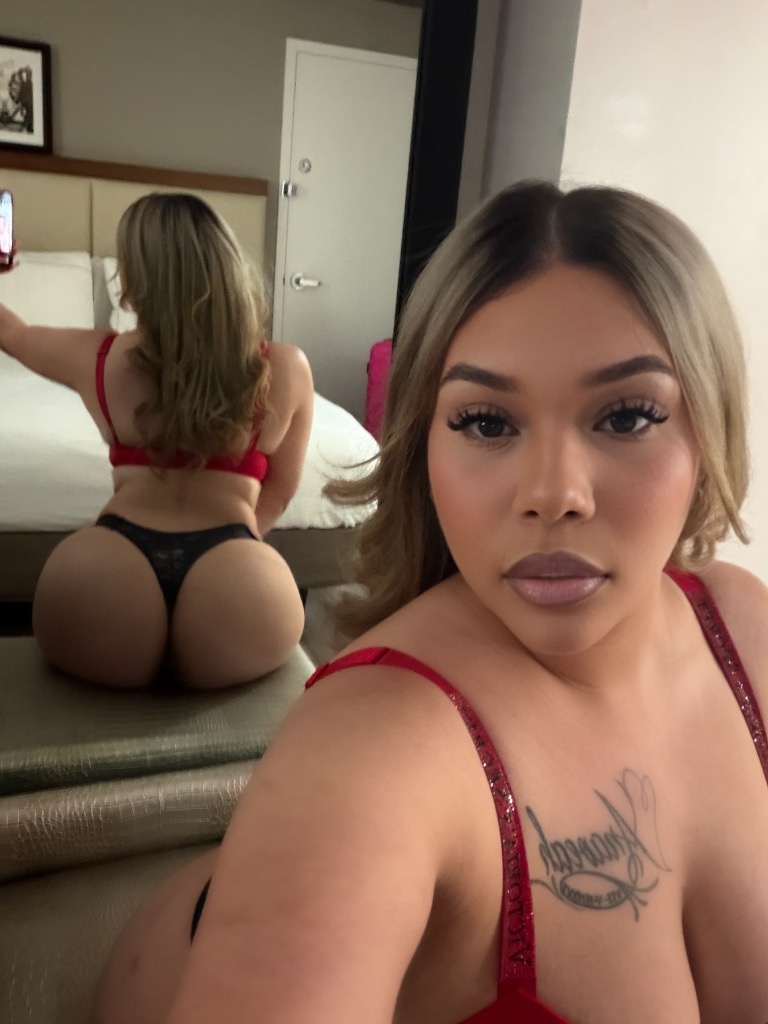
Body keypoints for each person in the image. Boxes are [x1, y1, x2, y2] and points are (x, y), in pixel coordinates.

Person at [94, 182, 768, 1022]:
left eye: (627, 417)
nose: (554, 494)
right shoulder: (373, 747)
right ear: (421, 444)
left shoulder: (744, 626)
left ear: (710, 424)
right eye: (487, 422)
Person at [0, 193, 312, 688]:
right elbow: (281, 489)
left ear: (134, 280)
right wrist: (239, 556)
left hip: (107, 568)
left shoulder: (98, 357)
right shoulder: (284, 367)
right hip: (238, 581)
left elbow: (11, 333)